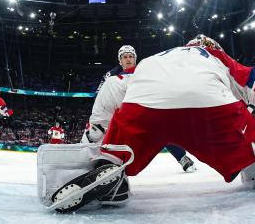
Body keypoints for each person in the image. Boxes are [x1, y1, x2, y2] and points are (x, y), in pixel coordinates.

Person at [41, 35, 255, 212]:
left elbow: (113, 91)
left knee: (119, 142)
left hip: (144, 107)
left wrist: (95, 138)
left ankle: (110, 171)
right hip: (207, 108)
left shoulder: (149, 61)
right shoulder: (212, 55)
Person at [84, 45, 197, 173]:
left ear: (135, 59)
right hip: (122, 112)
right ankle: (93, 156)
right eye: (125, 57)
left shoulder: (144, 71)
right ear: (119, 61)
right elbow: (100, 97)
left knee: (163, 129)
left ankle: (182, 158)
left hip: (142, 110)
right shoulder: (110, 76)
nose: (128, 59)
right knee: (101, 132)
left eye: (131, 56)